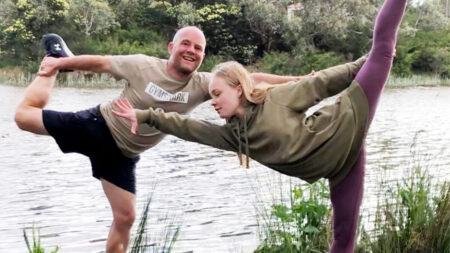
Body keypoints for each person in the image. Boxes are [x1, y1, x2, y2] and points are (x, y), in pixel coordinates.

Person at [113, 0, 407, 251]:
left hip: (348, 120)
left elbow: (319, 83)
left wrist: (363, 65)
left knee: (382, 47)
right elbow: (186, 127)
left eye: (217, 94)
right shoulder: (232, 136)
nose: (212, 102)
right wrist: (146, 115)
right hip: (342, 166)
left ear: (238, 88)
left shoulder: (274, 99)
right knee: (343, 244)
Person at [14, 26, 309, 253]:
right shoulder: (143, 65)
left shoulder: (202, 84)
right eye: (186, 44)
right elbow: (101, 63)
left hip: (123, 155)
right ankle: (54, 59)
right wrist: (63, 65)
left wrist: (299, 82)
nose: (192, 50)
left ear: (203, 56)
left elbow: (251, 77)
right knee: (24, 118)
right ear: (172, 47)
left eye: (199, 48)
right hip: (98, 126)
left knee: (126, 218)